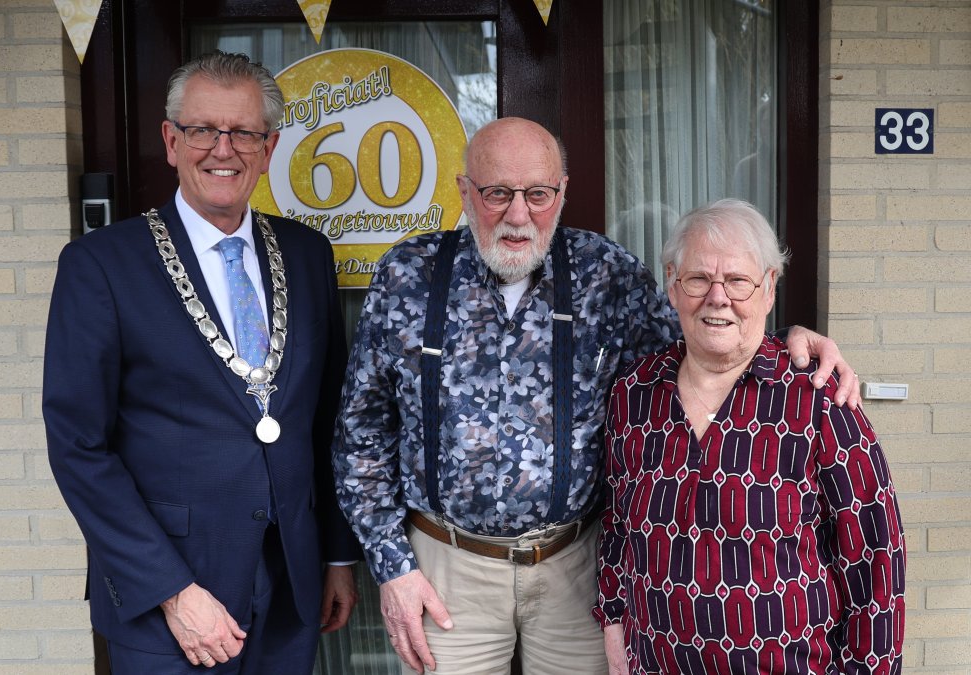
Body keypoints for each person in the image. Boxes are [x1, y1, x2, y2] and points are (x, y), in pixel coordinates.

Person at [332, 117, 859, 675]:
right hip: (447, 573)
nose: (518, 214)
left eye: (538, 194)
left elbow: (705, 341)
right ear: (465, 191)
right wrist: (393, 567)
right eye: (496, 193)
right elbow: (361, 435)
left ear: (561, 192)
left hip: (575, 568)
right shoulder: (408, 276)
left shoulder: (606, 273)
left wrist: (788, 344)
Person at [43, 51, 361, 674]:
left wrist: (336, 556)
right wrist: (172, 591)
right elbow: (79, 445)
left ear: (268, 148)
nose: (224, 148)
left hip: (292, 583)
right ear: (170, 140)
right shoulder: (102, 265)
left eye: (244, 132)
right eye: (202, 130)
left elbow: (329, 420)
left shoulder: (307, 254)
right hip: (170, 598)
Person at [595, 199, 905, 674]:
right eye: (699, 279)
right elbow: (619, 528)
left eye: (738, 281)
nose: (718, 298)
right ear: (673, 286)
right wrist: (616, 637)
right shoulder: (634, 394)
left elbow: (876, 561)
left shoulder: (821, 401)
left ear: (768, 289)